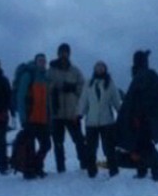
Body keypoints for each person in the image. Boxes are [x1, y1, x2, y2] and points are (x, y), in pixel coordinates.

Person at [116, 50, 158, 182]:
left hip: (143, 119)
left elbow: (145, 97)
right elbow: (133, 97)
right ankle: (142, 169)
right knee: (138, 144)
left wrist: (142, 114)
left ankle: (155, 169)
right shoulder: (143, 74)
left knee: (145, 144)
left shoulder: (146, 75)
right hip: (140, 118)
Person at [78, 61, 121, 178]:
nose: (100, 69)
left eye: (102, 68)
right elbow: (83, 101)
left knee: (109, 148)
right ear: (94, 69)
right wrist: (80, 113)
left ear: (105, 70)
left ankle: (113, 170)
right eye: (97, 67)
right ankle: (91, 171)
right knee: (91, 148)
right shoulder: (88, 84)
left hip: (107, 121)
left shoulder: (110, 84)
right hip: (91, 122)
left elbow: (116, 100)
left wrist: (121, 112)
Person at [48, 43, 87, 173]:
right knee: (58, 142)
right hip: (56, 112)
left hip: (72, 112)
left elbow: (83, 88)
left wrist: (72, 88)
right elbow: (45, 87)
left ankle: (84, 163)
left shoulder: (75, 71)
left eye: (66, 52)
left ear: (69, 54)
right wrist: (55, 87)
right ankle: (60, 166)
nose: (64, 55)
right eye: (61, 52)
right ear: (58, 54)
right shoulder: (51, 71)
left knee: (79, 140)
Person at [16, 53, 52, 180]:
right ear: (36, 62)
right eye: (40, 60)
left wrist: (49, 116)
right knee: (29, 146)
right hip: (30, 118)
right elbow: (21, 97)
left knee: (46, 144)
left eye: (44, 61)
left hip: (43, 118)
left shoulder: (46, 78)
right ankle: (29, 170)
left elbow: (48, 100)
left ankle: (37, 166)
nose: (42, 63)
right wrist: (23, 117)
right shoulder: (28, 75)